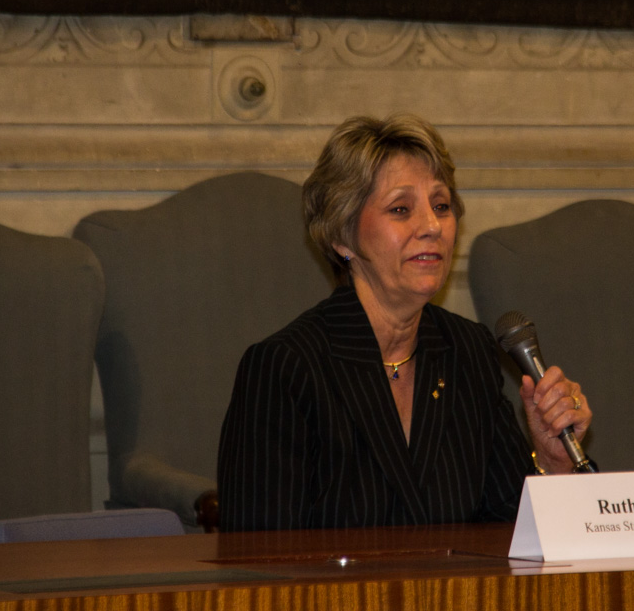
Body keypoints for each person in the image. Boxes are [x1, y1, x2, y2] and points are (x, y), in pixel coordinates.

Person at [216, 113, 593, 530]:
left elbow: (511, 531)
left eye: (441, 206)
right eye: (401, 209)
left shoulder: (467, 352)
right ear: (342, 236)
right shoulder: (286, 369)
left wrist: (554, 464)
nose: (432, 226)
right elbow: (258, 553)